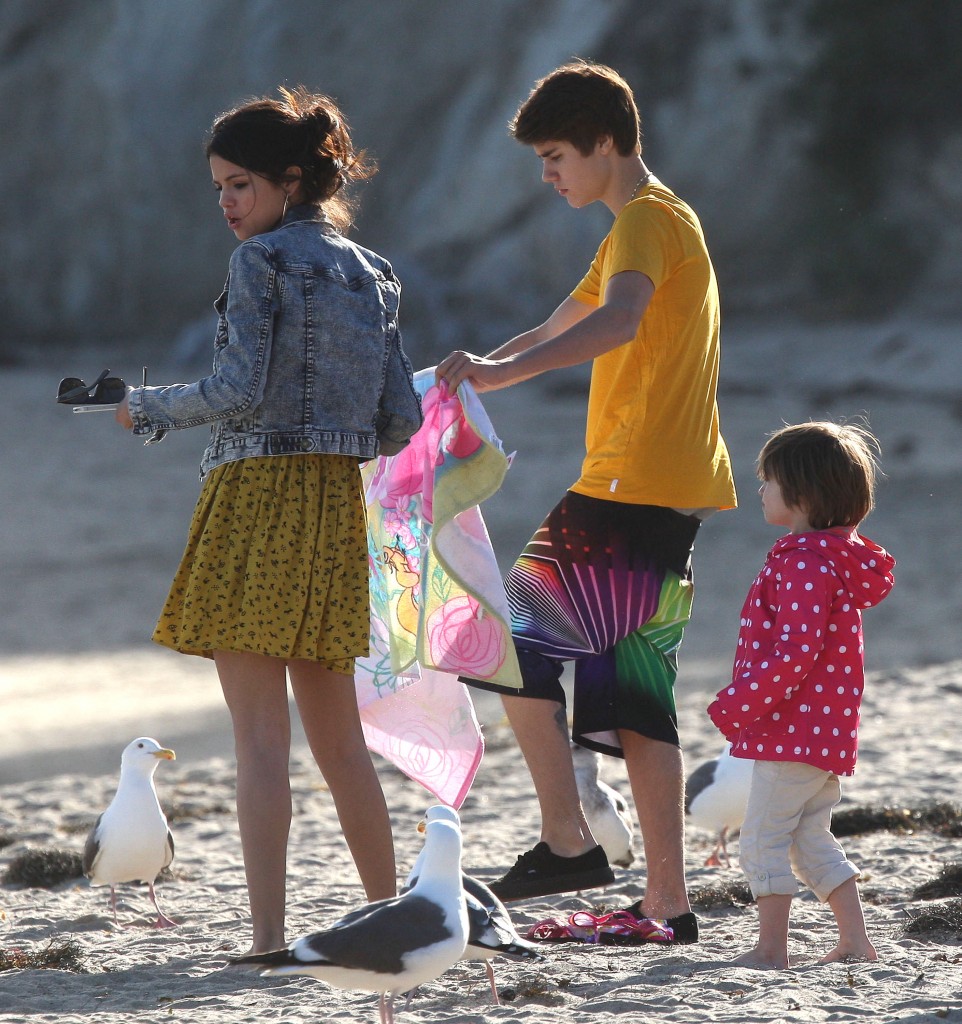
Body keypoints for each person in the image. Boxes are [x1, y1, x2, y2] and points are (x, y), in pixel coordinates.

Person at [115, 86, 423, 953]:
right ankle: (387, 919)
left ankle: (266, 939)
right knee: (341, 745)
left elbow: (239, 388)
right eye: (218, 187)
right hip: (330, 509)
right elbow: (399, 420)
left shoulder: (261, 265)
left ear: (292, 181)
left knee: (259, 740)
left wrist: (147, 407)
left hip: (254, 501)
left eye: (240, 185)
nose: (226, 203)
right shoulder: (376, 272)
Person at [436, 60, 736, 944]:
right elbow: (563, 323)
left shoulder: (647, 220)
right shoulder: (644, 225)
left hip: (629, 488)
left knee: (503, 640)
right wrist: (481, 368)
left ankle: (569, 840)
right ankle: (669, 906)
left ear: (606, 143)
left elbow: (619, 323)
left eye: (558, 155)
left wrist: (505, 372)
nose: (548, 174)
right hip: (665, 497)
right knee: (636, 699)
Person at [708, 421, 895, 969]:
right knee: (811, 839)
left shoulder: (805, 562)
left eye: (768, 481)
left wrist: (738, 703)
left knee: (761, 839)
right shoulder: (834, 556)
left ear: (804, 496)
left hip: (792, 731)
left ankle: (770, 950)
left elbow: (796, 652)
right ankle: (856, 941)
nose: (761, 489)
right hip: (824, 730)